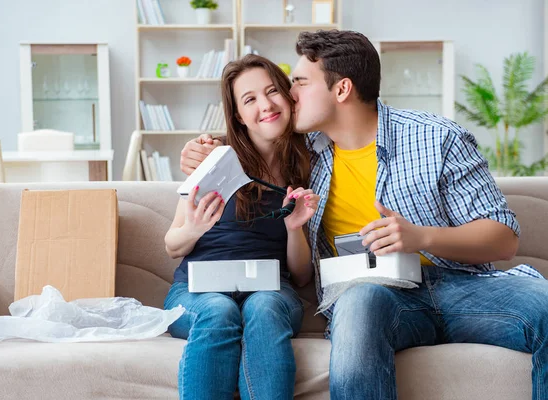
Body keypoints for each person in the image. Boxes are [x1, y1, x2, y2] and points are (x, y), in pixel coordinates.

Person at [180, 30, 548, 399]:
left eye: (300, 82)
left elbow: (504, 238)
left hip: (461, 287)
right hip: (372, 294)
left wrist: (421, 237)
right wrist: (201, 150)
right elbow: (247, 140)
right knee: (358, 303)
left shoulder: (437, 138)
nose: (288, 94)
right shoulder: (305, 151)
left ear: (341, 90)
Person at [164, 54, 320, 400]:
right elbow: (172, 245)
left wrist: (294, 228)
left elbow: (302, 277)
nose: (265, 105)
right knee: (219, 311)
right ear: (238, 115)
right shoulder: (214, 159)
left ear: (287, 95)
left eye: (271, 92)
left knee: (264, 307)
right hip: (197, 291)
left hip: (271, 290)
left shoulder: (308, 165)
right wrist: (194, 228)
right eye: (250, 99)